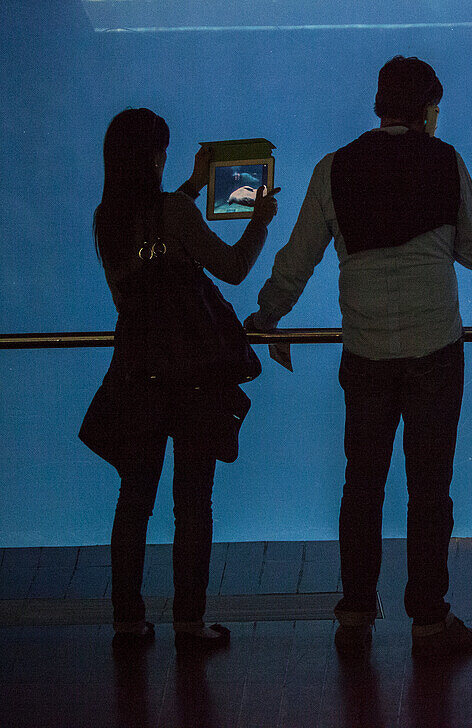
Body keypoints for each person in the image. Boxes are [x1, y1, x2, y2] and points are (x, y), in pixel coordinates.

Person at [244, 56, 472, 657]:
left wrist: (266, 315)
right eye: (436, 106)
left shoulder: (334, 169)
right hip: (436, 351)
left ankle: (356, 610)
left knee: (363, 484)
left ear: (379, 105)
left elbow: (298, 258)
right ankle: (429, 620)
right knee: (429, 487)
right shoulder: (446, 162)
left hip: (366, 353)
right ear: (427, 108)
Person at [82, 108, 278, 653]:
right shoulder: (174, 213)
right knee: (193, 503)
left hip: (137, 376)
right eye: (162, 151)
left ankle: (127, 622)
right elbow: (234, 267)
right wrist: (259, 220)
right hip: (193, 379)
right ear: (152, 157)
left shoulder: (108, 220)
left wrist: (193, 185)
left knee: (133, 502)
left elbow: (149, 253)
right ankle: (189, 623)